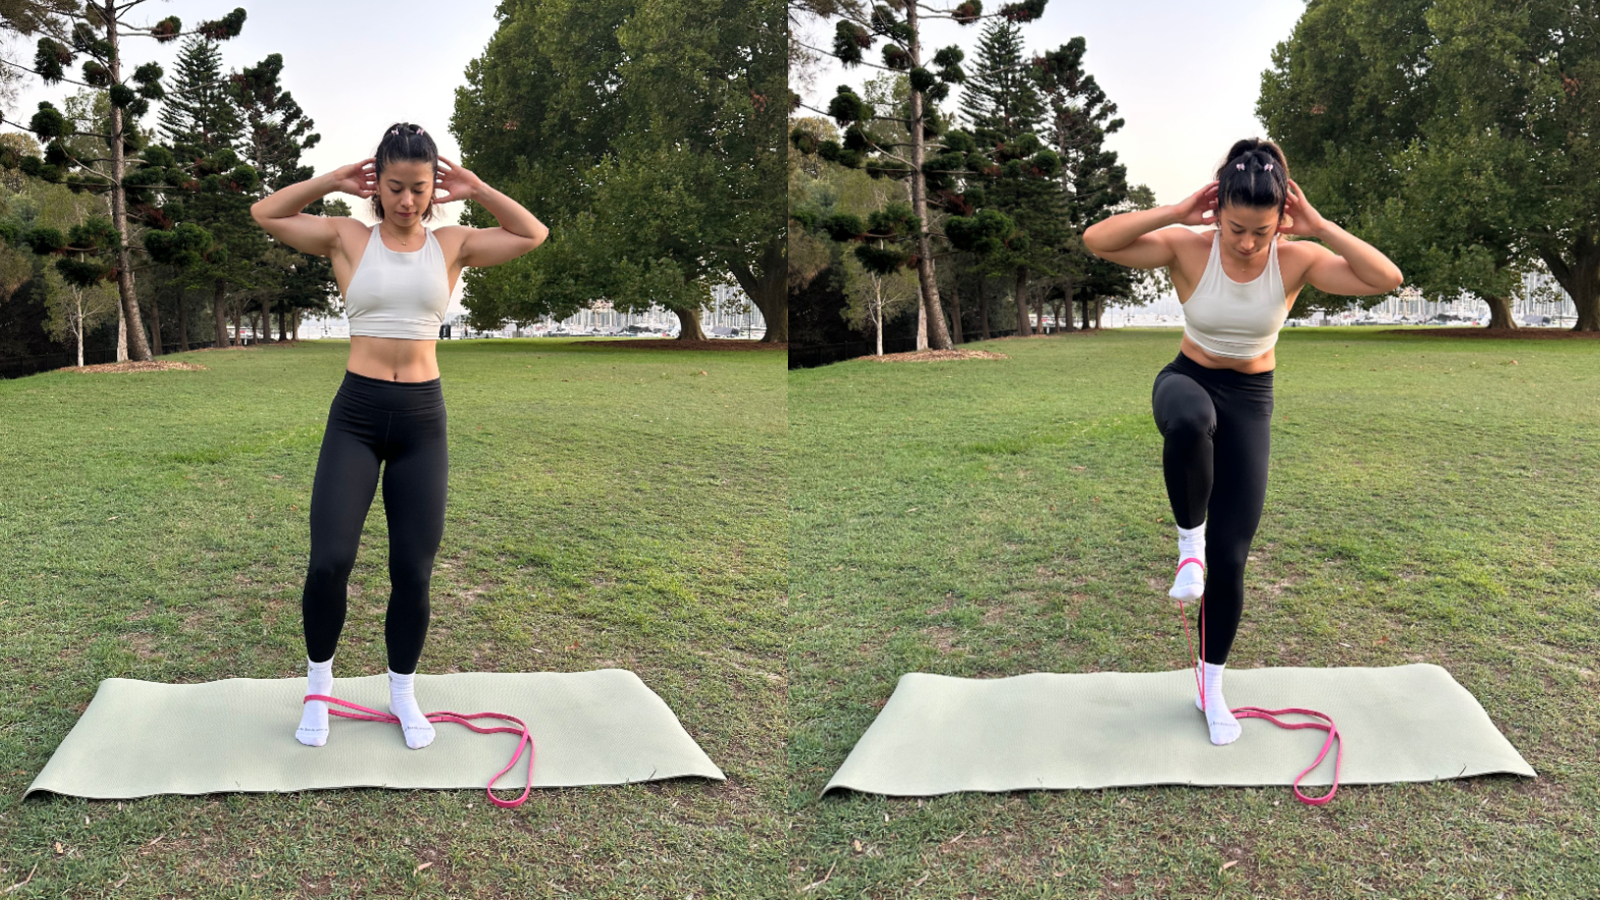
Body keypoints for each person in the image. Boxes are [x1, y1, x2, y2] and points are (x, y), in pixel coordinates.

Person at [1082, 138, 1402, 745]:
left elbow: (1385, 278)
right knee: (1188, 421)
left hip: (1252, 401)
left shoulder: (1298, 257)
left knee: (1233, 560)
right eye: (1235, 228)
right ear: (1217, 210)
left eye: (1262, 230)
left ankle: (1211, 685)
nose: (1248, 242)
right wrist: (1177, 211)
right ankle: (1187, 546)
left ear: (1282, 217)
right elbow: (1099, 240)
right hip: (1187, 379)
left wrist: (1320, 226)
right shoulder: (1186, 245)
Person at [250, 122, 549, 749]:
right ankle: (319, 689)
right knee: (330, 560)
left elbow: (531, 234)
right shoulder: (346, 236)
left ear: (434, 189)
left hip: (422, 421)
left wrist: (478, 187)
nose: (408, 201)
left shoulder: (454, 243)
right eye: (395, 188)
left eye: (419, 188)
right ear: (376, 187)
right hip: (356, 415)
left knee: (413, 569)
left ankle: (403, 692)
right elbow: (266, 212)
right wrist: (333, 180)